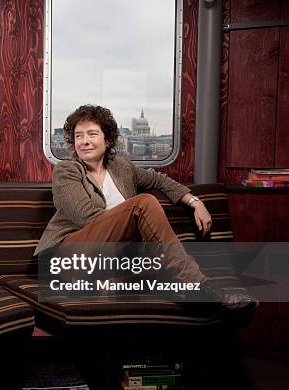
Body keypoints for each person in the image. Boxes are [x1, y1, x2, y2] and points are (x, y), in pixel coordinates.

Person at [35, 104, 255, 310]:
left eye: (92, 134)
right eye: (78, 136)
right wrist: (131, 224)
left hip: (108, 258)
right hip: (68, 256)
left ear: (108, 140)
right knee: (144, 204)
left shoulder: (122, 167)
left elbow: (159, 180)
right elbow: (86, 218)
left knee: (152, 255)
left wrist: (195, 202)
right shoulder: (66, 171)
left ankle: (179, 289)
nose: (84, 141)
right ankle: (199, 288)